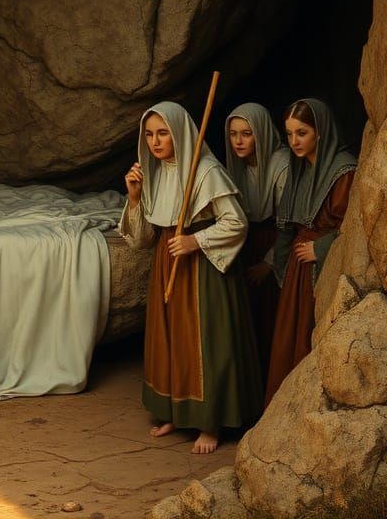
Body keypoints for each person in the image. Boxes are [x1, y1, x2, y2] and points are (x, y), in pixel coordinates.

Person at [120, 101, 262, 454]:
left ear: (180, 133)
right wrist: (135, 198)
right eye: (149, 135)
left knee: (204, 345)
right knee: (170, 341)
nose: (155, 142)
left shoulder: (206, 172)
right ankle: (174, 413)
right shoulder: (153, 173)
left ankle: (209, 423)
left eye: (163, 133)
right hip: (167, 264)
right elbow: (143, 240)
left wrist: (194, 241)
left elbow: (236, 223)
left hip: (202, 272)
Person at [264, 98, 356, 405]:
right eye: (289, 134)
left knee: (309, 337)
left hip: (323, 268)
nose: (294, 141)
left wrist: (320, 248)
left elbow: (352, 226)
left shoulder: (343, 170)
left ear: (320, 131)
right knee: (289, 340)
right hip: (298, 269)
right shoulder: (300, 169)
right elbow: (287, 224)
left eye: (301, 133)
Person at [224, 104, 289, 374]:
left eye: (246, 133)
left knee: (270, 317)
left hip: (275, 245)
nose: (238, 141)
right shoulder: (237, 167)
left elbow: (289, 223)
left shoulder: (281, 164)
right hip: (245, 244)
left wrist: (269, 263)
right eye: (233, 134)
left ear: (261, 132)